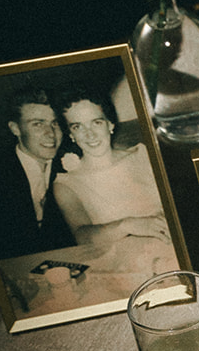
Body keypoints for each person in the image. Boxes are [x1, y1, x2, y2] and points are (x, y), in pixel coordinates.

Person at [50, 90, 169, 249]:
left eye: (96, 122)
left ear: (110, 124)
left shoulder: (144, 155)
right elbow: (81, 236)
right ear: (71, 134)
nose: (89, 134)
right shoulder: (66, 184)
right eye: (78, 127)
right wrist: (126, 225)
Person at [0, 84, 76, 259]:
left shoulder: (73, 160)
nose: (50, 133)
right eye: (38, 124)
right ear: (15, 129)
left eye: (54, 123)